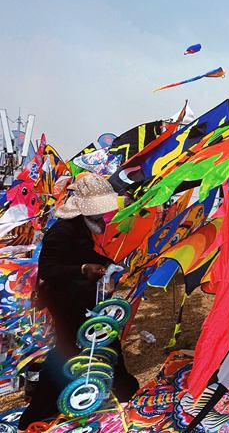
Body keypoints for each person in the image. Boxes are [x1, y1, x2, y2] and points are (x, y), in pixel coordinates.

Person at [19, 174, 139, 429]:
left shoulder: (80, 228)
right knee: (69, 350)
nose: (103, 219)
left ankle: (126, 391)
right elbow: (48, 270)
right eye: (99, 215)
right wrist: (83, 268)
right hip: (64, 300)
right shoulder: (61, 231)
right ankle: (35, 414)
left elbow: (81, 252)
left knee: (102, 339)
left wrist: (107, 264)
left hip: (78, 296)